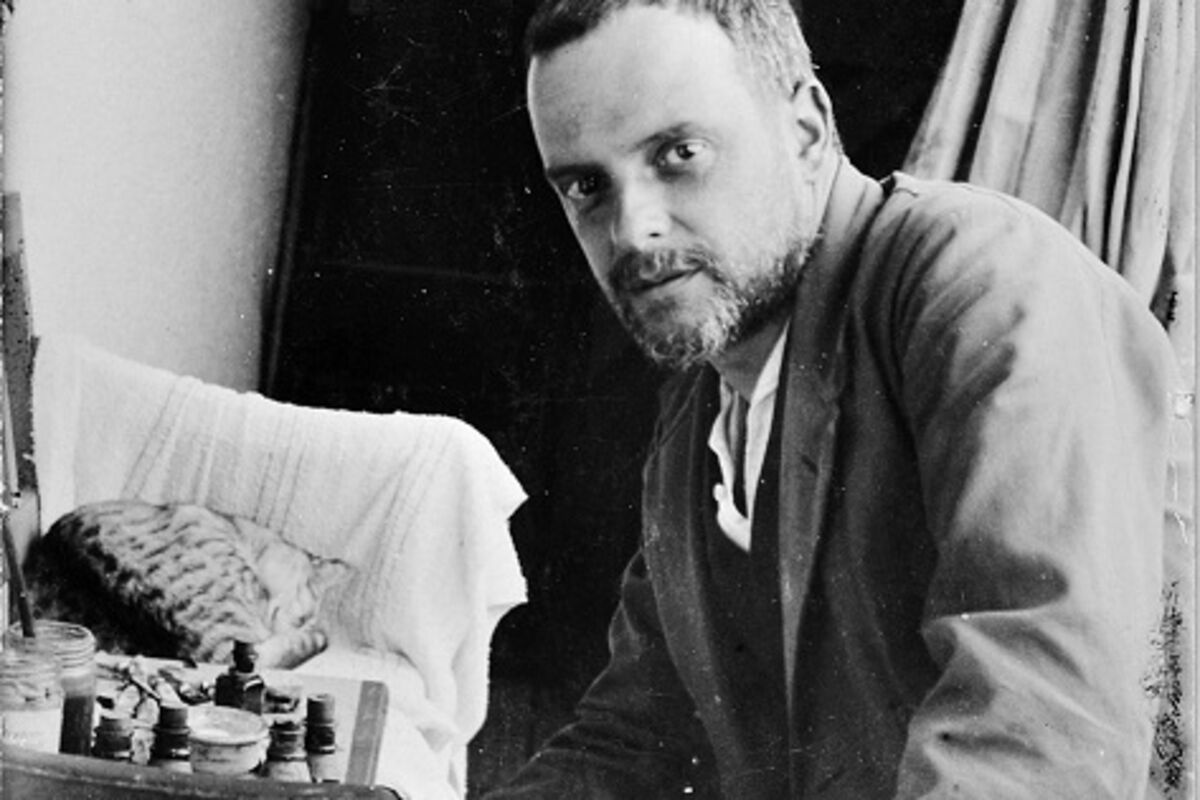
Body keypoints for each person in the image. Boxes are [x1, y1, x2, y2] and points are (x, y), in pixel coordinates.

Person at [491, 1, 1184, 796]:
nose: (633, 228)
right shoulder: (700, 413)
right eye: (587, 186)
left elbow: (1037, 737)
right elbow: (634, 743)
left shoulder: (983, 284)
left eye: (679, 154)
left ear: (807, 130)